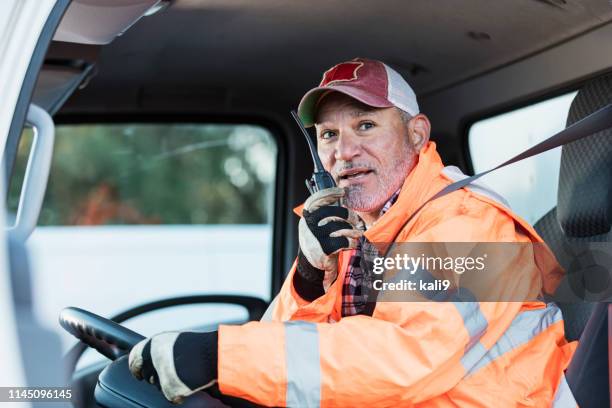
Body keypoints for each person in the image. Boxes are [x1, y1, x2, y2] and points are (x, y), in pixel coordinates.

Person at [128, 58, 577, 407]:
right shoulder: (361, 227)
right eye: (328, 134)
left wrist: (220, 356)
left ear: (417, 135)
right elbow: (297, 358)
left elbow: (405, 359)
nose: (343, 152)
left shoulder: (472, 225)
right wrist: (306, 277)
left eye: (365, 125)